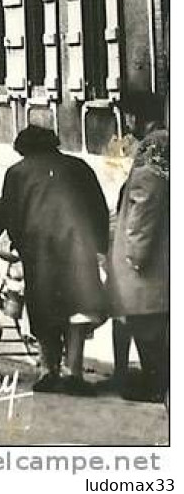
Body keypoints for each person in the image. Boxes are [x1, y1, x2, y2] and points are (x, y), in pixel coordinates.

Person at [0, 124, 111, 395]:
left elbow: (8, 210)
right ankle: (74, 373)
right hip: (79, 248)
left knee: (44, 310)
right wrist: (100, 246)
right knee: (78, 311)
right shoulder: (79, 167)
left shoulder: (17, 173)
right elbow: (98, 207)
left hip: (40, 252)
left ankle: (48, 371)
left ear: (23, 148)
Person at [108, 128, 169, 403]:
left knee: (147, 331)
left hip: (145, 272)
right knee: (153, 331)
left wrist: (135, 257)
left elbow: (140, 224)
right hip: (161, 267)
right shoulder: (165, 175)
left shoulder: (148, 177)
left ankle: (155, 387)